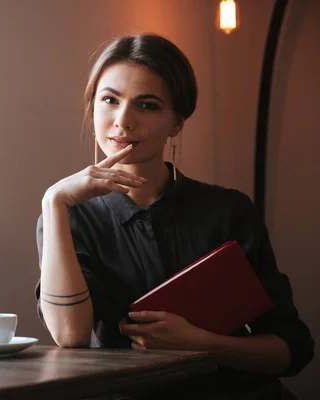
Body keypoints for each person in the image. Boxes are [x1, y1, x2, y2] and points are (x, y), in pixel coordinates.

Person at [35, 34, 314, 398]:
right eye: (109, 100)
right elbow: (69, 335)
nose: (123, 121)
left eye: (147, 105)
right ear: (93, 107)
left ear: (176, 123)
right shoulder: (69, 216)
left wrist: (203, 344)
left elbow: (290, 351)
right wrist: (53, 202)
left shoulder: (229, 211)